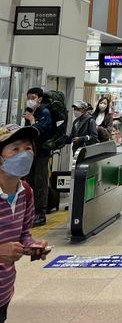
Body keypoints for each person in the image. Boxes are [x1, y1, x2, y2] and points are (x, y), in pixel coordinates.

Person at [0, 124, 49, 323]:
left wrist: (31, 247)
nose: (24, 154)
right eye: (15, 149)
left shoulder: (25, 192)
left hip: (3, 292)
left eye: (28, 148)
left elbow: (23, 234)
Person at [22, 87, 52, 228]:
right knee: (29, 181)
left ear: (40, 98)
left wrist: (32, 119)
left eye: (33, 97)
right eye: (29, 97)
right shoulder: (30, 112)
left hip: (42, 152)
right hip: (30, 152)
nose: (30, 100)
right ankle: (31, 211)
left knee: (40, 182)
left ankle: (41, 213)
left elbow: (38, 131)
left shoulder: (44, 112)